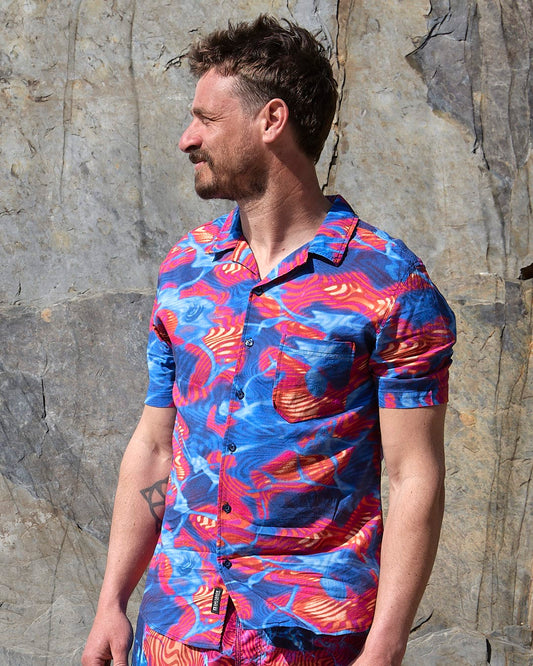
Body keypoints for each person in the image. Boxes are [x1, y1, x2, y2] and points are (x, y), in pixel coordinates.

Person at [82, 14, 456, 666]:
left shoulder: (389, 283)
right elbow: (153, 446)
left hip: (306, 637)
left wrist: (386, 645)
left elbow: (413, 473)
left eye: (205, 118)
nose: (185, 138)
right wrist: (112, 601)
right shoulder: (186, 270)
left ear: (271, 119)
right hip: (175, 630)